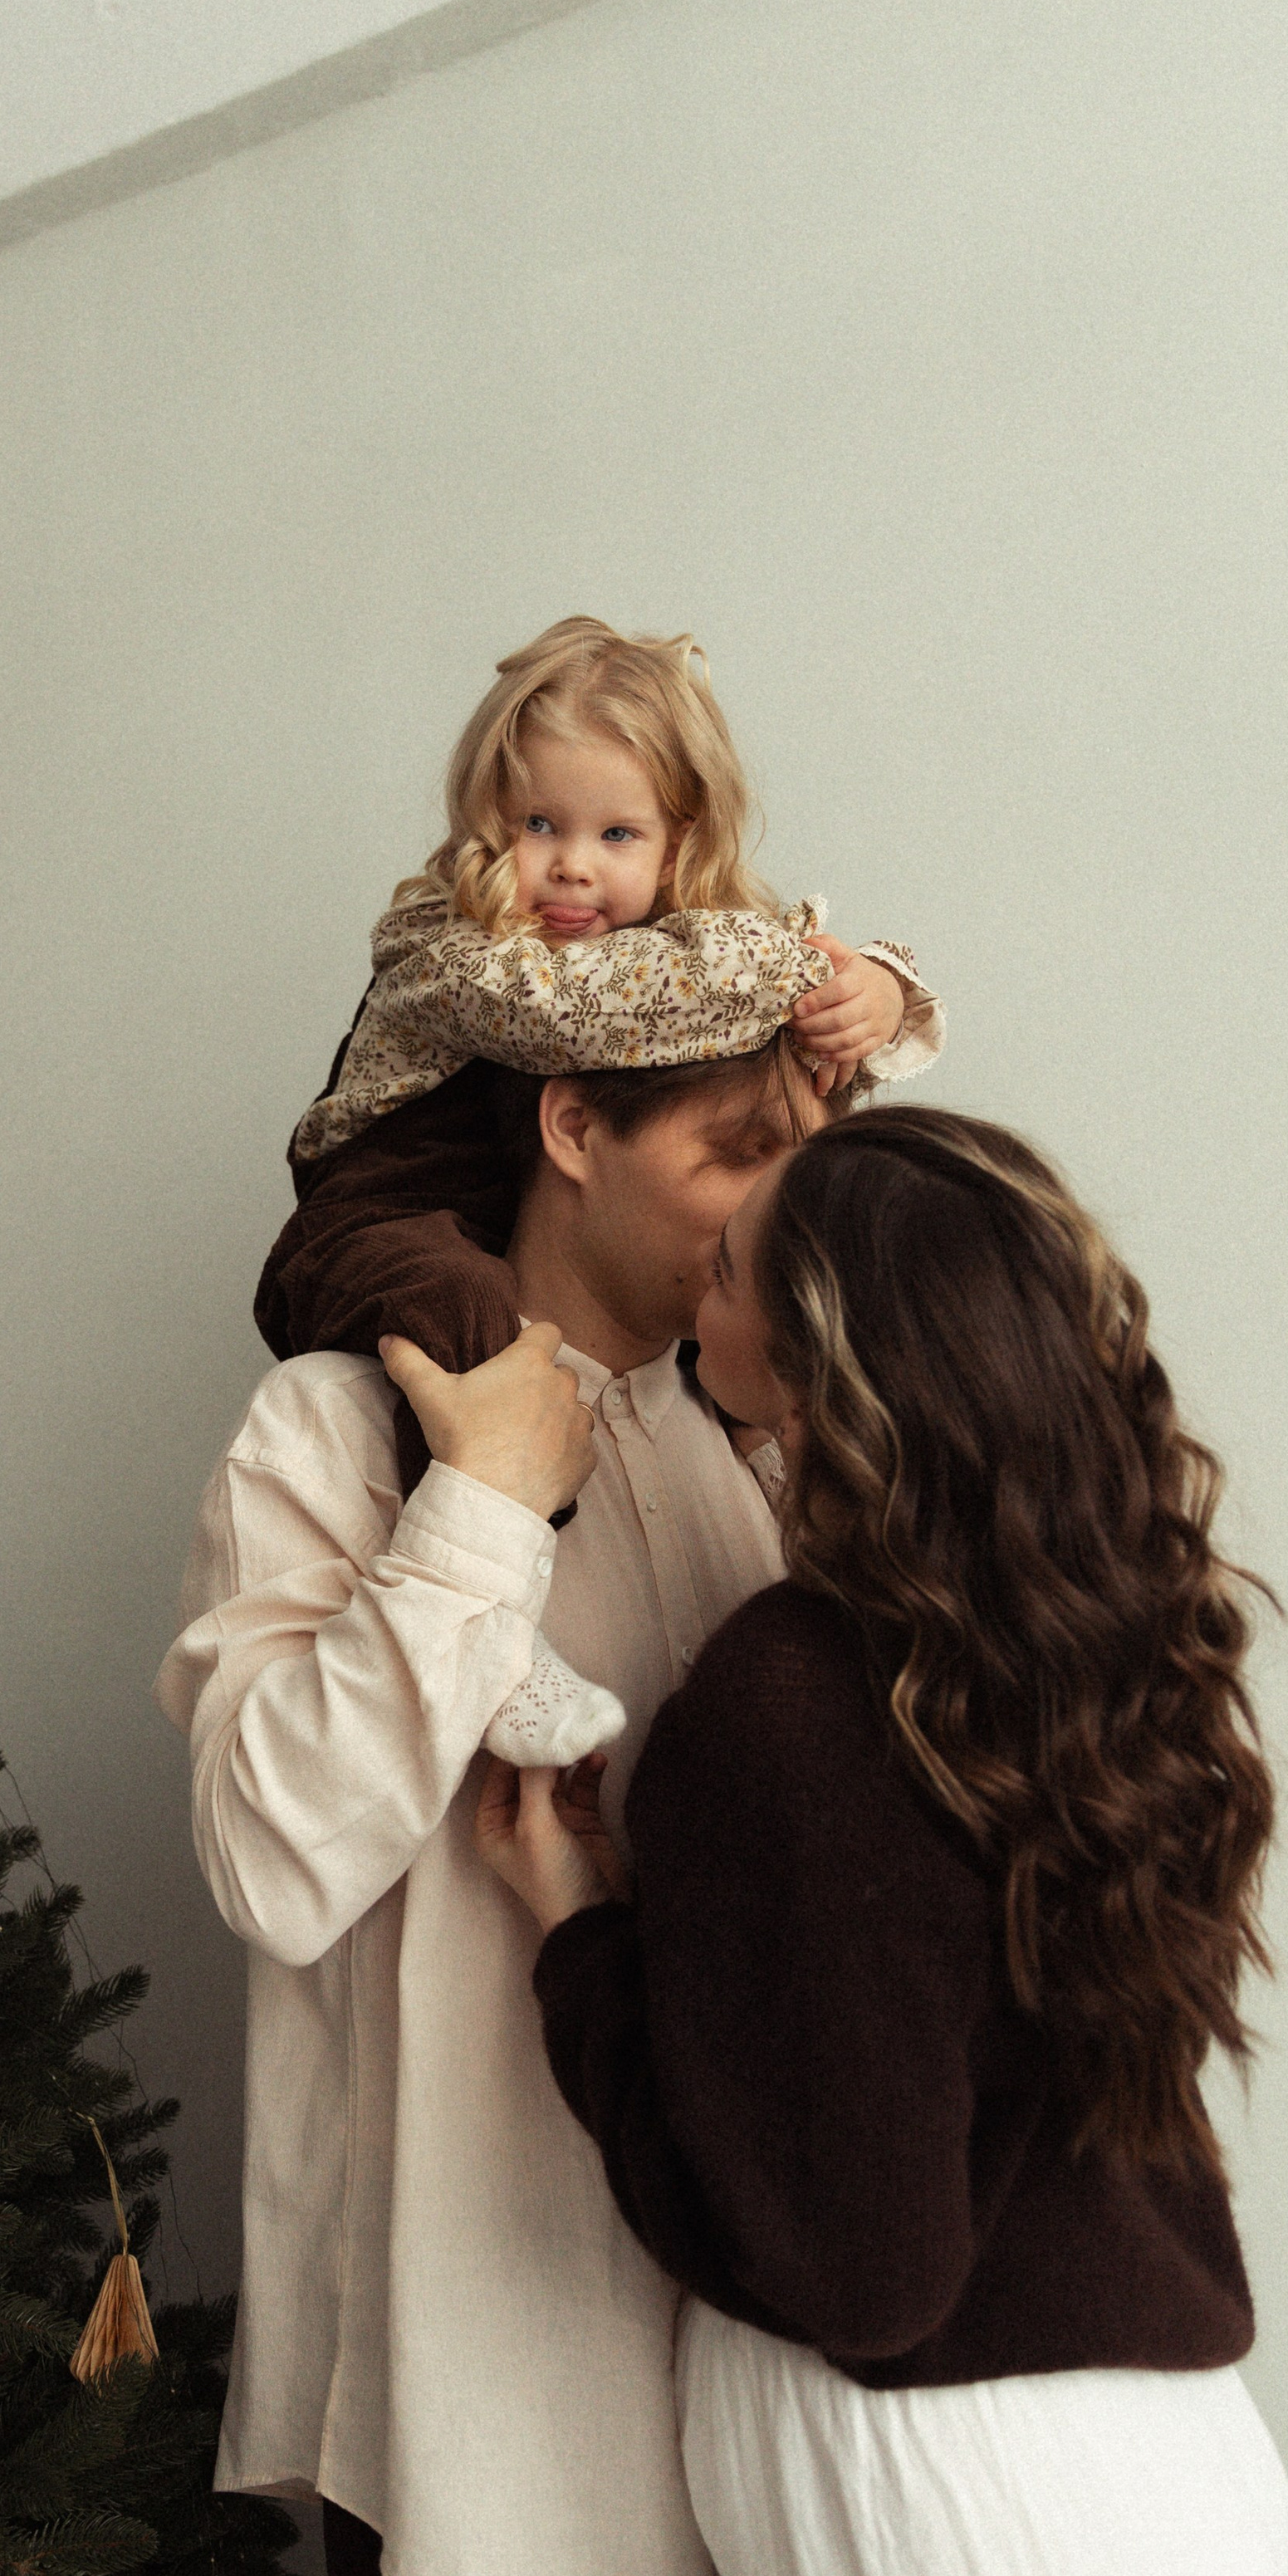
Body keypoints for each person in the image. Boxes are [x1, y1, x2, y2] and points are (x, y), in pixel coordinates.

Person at [468, 1104, 1288, 2576]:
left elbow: (859, 2272)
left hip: (952, 2497)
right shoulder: (1084, 1647)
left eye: (734, 1264)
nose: (699, 1276)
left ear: (814, 1364)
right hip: (1167, 2475)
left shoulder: (788, 1697)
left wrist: (580, 1944)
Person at [157, 1031, 844, 2576]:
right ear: (570, 1126)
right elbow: (269, 1859)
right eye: (733, 1152)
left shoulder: (767, 1440)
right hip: (504, 2445)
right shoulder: (327, 1432)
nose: (776, 1211)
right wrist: (478, 1504)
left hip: (800, 2428)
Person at [256, 614, 945, 1771]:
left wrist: (874, 991)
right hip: (389, 1201)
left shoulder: (667, 961)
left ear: (678, 846)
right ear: (487, 823)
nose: (573, 865)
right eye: (539, 825)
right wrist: (797, 962)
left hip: (507, 1209)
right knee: (468, 1328)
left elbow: (786, 1066)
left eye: (617, 833)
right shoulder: (453, 942)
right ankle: (501, 1628)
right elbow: (569, 1010)